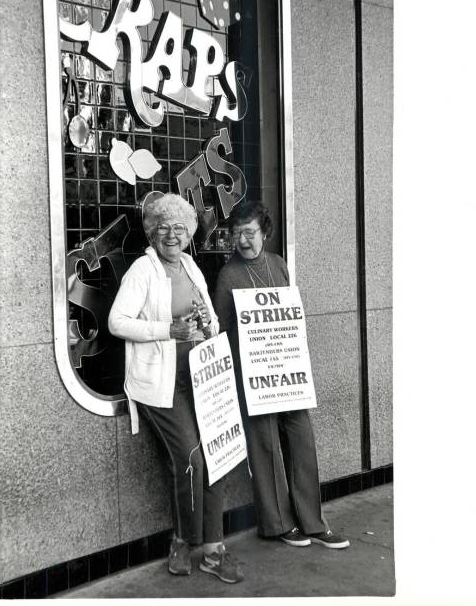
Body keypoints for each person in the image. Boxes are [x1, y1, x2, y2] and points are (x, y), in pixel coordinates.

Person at [108, 193, 244, 583]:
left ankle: (214, 550)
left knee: (215, 456)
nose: (172, 235)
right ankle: (183, 541)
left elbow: (212, 322)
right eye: (163, 228)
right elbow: (118, 321)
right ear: (152, 232)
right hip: (160, 385)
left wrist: (208, 325)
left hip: (201, 379)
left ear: (189, 236)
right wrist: (166, 330)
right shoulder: (142, 270)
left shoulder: (190, 266)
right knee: (191, 459)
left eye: (179, 229)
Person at [214, 200, 350, 550]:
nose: (243, 240)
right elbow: (223, 331)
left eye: (249, 232)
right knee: (265, 446)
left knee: (301, 437)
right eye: (237, 234)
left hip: (287, 371)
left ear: (264, 232)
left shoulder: (278, 265)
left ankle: (313, 522)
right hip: (252, 374)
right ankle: (276, 524)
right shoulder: (228, 275)